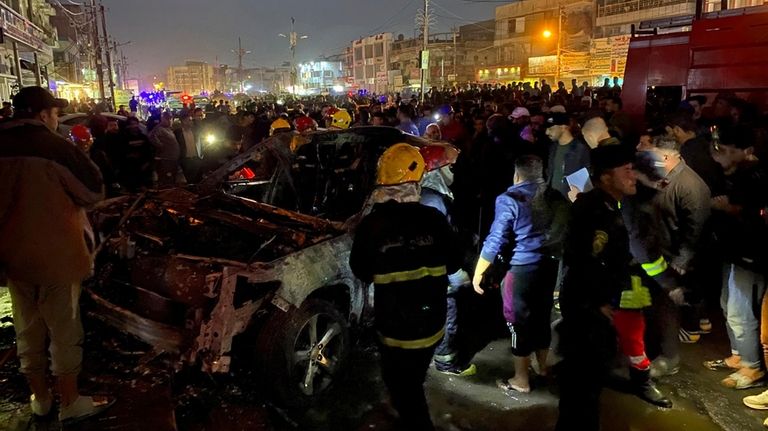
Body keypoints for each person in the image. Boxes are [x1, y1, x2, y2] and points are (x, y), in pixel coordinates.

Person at [0, 86, 114, 424]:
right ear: (42, 115)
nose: (54, 118)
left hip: (13, 259)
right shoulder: (55, 148)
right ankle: (70, 401)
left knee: (27, 329)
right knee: (64, 331)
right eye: (52, 113)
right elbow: (93, 192)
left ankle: (40, 398)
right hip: (57, 256)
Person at [556, 145, 672, 431]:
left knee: (588, 388)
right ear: (607, 177)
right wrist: (595, 303)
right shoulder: (594, 210)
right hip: (588, 315)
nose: (633, 176)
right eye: (626, 171)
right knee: (581, 389)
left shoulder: (612, 205)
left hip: (600, 307)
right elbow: (580, 259)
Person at [350, 144, 464, 431]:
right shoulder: (434, 218)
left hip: (394, 327)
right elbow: (454, 263)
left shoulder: (371, 225)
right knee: (412, 379)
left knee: (404, 385)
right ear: (417, 180)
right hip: (431, 323)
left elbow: (361, 270)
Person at [473, 155, 568, 393]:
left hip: (521, 269)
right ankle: (542, 367)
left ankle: (520, 379)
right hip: (548, 266)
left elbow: (496, 238)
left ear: (517, 175)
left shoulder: (510, 199)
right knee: (542, 315)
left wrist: (478, 273)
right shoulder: (555, 196)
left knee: (518, 322)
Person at [625, 135, 711, 377]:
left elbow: (697, 229)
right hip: (655, 257)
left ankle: (668, 357)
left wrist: (681, 263)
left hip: (671, 260)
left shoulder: (690, 185)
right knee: (652, 309)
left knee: (666, 311)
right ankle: (651, 352)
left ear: (665, 157)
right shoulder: (659, 182)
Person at [704, 126, 768, 390]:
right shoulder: (738, 173)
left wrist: (727, 208)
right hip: (732, 250)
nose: (723, 155)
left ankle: (752, 367)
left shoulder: (757, 176)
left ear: (748, 152)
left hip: (748, 254)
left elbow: (752, 213)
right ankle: (738, 355)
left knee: (740, 309)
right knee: (728, 304)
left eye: (730, 151)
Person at [666, 113, 725, 195]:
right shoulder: (704, 143)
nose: (671, 135)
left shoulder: (688, 149)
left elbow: (680, 178)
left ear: (677, 130)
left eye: (671, 132)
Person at [544, 112, 590, 200]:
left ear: (563, 127)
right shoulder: (553, 147)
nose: (547, 132)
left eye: (550, 128)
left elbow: (585, 181)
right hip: (553, 199)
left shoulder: (580, 150)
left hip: (570, 201)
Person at [148, 111, 180, 188]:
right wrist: (161, 146)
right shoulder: (159, 128)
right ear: (162, 119)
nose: (169, 121)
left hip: (172, 159)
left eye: (170, 119)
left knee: (172, 180)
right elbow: (151, 137)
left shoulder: (168, 129)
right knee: (166, 181)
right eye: (167, 119)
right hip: (165, 160)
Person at [175, 111, 203, 184]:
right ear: (184, 122)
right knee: (188, 179)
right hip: (185, 160)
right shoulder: (178, 133)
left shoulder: (195, 131)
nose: (191, 122)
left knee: (197, 178)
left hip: (196, 159)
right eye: (189, 120)